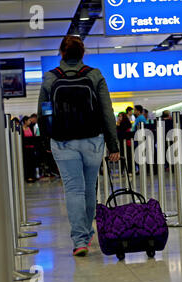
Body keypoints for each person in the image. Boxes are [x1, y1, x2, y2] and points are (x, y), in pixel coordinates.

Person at [37, 35, 120, 257]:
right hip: (92, 140)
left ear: (61, 53)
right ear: (82, 53)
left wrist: (46, 139)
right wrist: (113, 145)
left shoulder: (50, 78)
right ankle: (86, 231)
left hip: (63, 141)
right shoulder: (94, 75)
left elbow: (44, 112)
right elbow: (106, 112)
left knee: (74, 189)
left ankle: (80, 240)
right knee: (90, 187)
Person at [21, 116, 37, 183]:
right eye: (28, 120)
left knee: (32, 163)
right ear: (25, 121)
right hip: (25, 149)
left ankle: (33, 176)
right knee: (26, 163)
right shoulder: (21, 129)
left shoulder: (31, 128)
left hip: (31, 148)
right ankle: (27, 177)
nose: (30, 122)